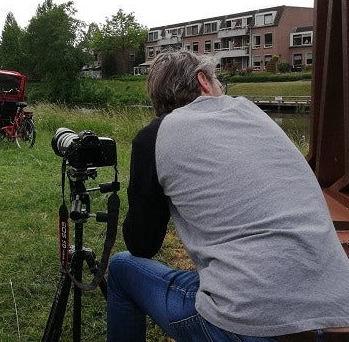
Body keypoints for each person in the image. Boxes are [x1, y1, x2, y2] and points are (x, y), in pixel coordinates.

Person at [107, 50, 349, 341]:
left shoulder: (154, 137)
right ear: (204, 82)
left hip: (251, 325)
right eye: (217, 80)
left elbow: (141, 245)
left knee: (121, 267)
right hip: (340, 315)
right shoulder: (251, 111)